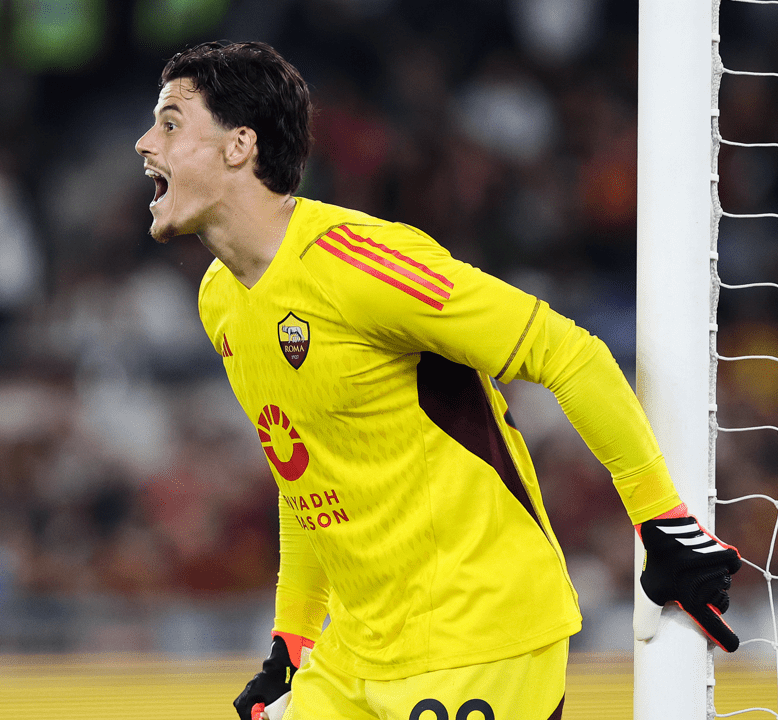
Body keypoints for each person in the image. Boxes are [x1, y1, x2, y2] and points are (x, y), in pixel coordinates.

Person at [134, 40, 742, 720]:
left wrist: (662, 520)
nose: (144, 142)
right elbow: (303, 471)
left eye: (170, 122)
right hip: (357, 654)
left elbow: (567, 352)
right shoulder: (220, 298)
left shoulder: (357, 262)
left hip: (480, 635)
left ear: (239, 145)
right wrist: (293, 638)